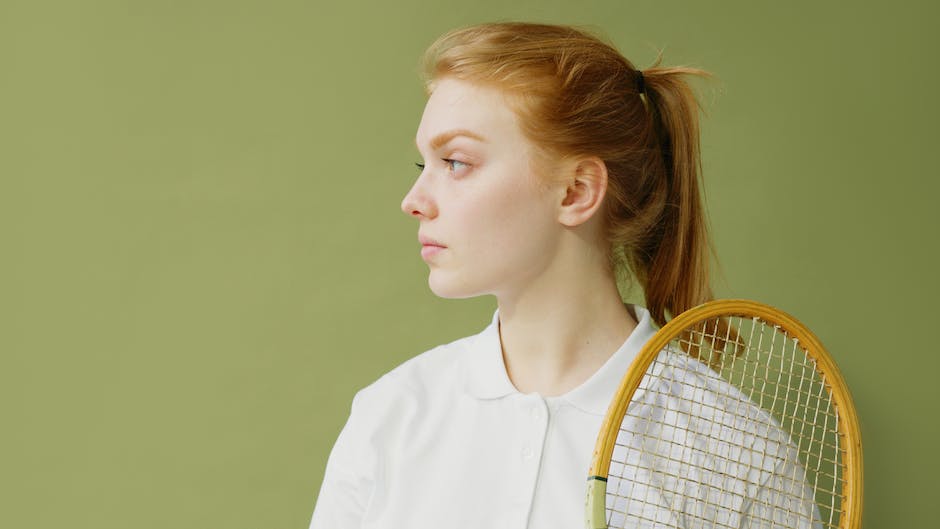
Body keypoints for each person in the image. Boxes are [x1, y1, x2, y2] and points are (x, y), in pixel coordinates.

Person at [309, 22, 818, 529]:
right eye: (421, 164)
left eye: (456, 162)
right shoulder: (390, 417)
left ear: (575, 191)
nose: (414, 201)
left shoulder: (734, 451)